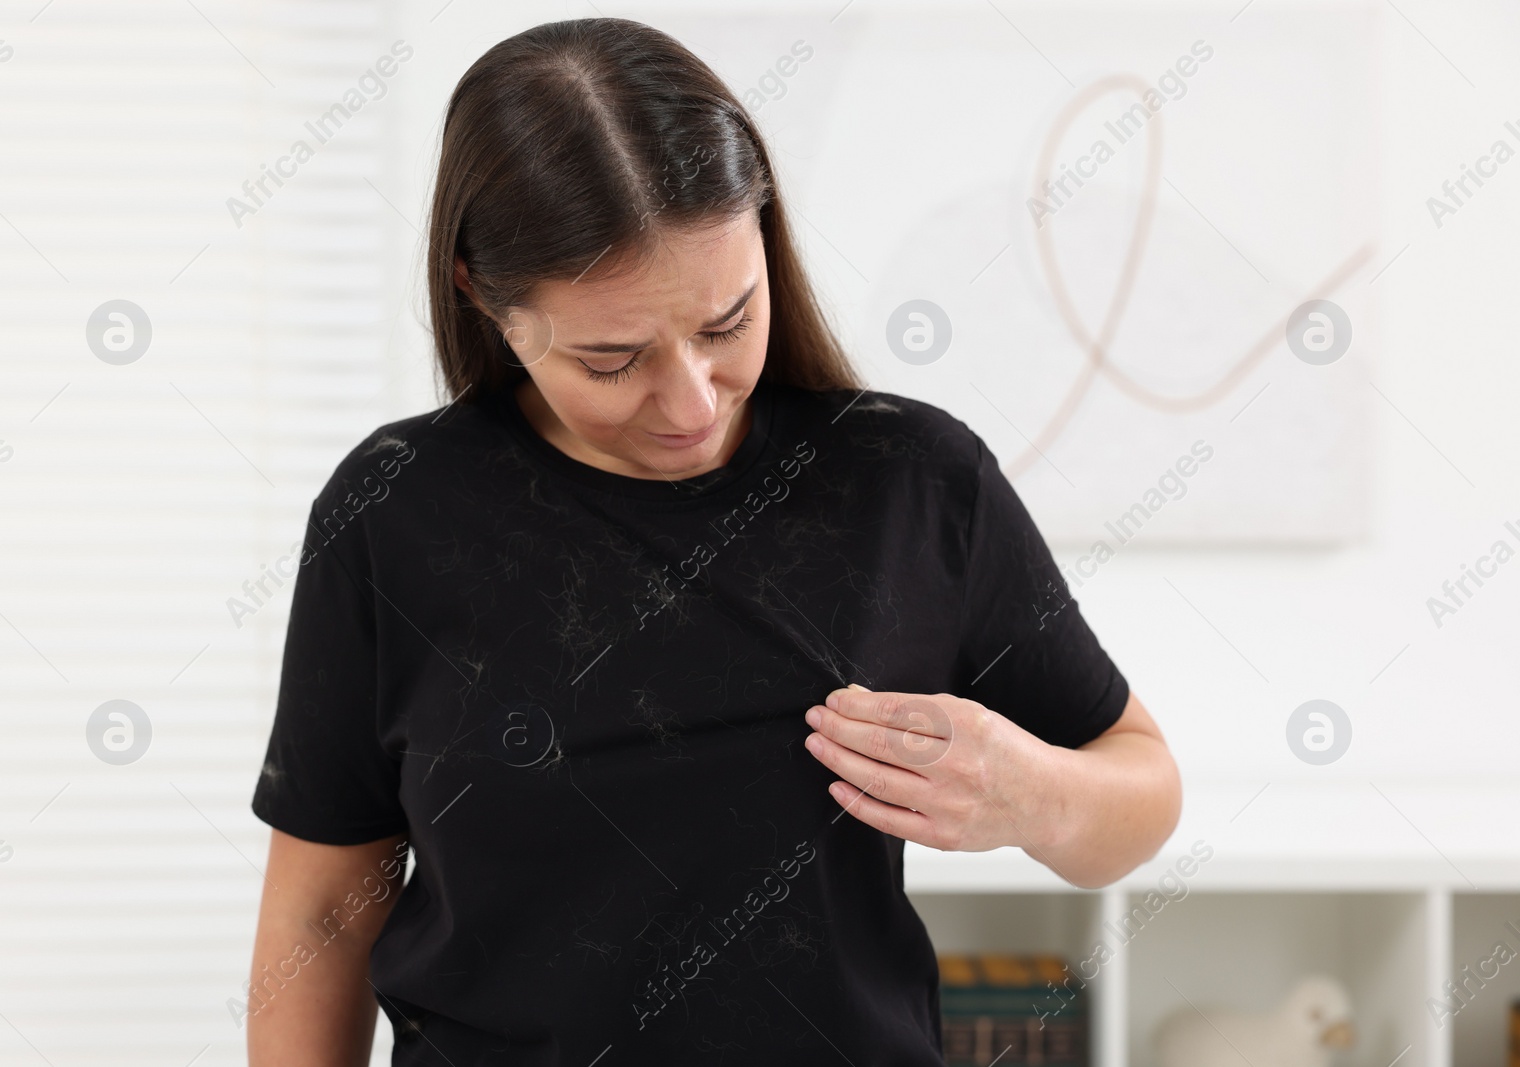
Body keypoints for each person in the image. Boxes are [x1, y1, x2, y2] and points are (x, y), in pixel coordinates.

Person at [245, 16, 1181, 1067]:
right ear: (483, 296)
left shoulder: (909, 480)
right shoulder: (395, 511)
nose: (688, 400)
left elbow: (1140, 789)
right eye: (611, 359)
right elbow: (321, 907)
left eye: (727, 321)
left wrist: (1032, 794)